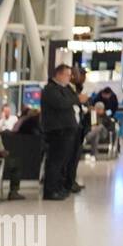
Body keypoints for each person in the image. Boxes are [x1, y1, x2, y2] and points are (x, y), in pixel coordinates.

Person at [40, 65, 78, 200]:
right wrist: (76, 99)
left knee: (63, 161)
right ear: (59, 75)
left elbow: (73, 98)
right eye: (67, 75)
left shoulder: (65, 88)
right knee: (55, 161)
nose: (69, 78)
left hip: (67, 129)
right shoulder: (50, 90)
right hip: (57, 130)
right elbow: (61, 103)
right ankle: (50, 190)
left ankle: (59, 186)